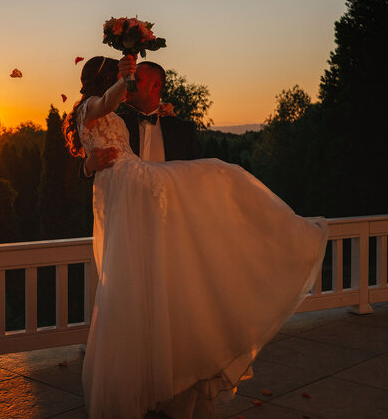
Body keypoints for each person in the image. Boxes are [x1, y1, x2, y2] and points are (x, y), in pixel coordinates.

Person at [63, 56, 327, 419]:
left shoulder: (178, 127)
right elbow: (87, 147)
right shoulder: (108, 110)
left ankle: (181, 384)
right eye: (127, 81)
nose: (133, 87)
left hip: (173, 230)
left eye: (140, 81)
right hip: (131, 217)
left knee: (216, 185)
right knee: (131, 298)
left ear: (156, 87)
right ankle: (141, 385)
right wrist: (88, 164)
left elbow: (193, 185)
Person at [82, 58, 201, 177]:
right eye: (128, 78)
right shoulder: (116, 124)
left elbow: (195, 174)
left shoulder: (184, 130)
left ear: (155, 86)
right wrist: (87, 167)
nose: (129, 84)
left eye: (136, 79)